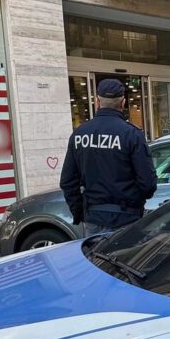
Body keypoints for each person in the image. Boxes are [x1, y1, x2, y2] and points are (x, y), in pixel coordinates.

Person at [60, 78, 157, 237]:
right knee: (124, 261)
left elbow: (67, 181)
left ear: (97, 102)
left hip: (93, 219)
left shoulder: (80, 134)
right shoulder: (131, 134)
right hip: (127, 218)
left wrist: (80, 213)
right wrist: (135, 205)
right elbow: (148, 183)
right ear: (123, 103)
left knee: (95, 261)